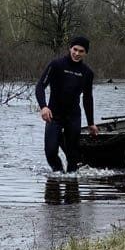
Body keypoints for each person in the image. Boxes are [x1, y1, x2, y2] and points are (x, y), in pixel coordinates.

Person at [35, 36, 98, 173]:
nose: (77, 53)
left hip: (73, 117)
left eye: (81, 51)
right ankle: (58, 174)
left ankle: (71, 186)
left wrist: (91, 123)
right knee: (51, 152)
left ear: (85, 53)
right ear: (70, 48)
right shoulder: (56, 65)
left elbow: (87, 98)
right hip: (54, 115)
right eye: (75, 49)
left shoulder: (87, 73)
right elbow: (40, 86)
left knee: (73, 156)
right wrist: (43, 107)